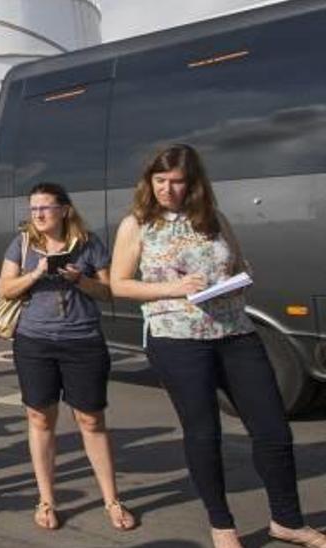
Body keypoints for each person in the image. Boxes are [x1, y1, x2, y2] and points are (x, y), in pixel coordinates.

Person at [110, 144, 326, 548]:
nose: (167, 190)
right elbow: (118, 284)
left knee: (273, 430)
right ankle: (222, 525)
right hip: (177, 338)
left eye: (176, 182)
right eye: (159, 181)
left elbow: (239, 261)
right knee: (204, 433)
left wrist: (241, 274)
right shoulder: (136, 225)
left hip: (236, 332)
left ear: (194, 184)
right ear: (149, 182)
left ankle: (288, 520)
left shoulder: (214, 219)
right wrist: (172, 288)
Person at [0, 182, 135, 531]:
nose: (38, 214)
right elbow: (4, 288)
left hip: (83, 342)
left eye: (45, 207)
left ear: (64, 210)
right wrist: (37, 272)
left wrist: (80, 280)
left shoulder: (88, 243)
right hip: (34, 343)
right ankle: (46, 500)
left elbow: (108, 292)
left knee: (91, 421)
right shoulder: (22, 244)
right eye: (33, 209)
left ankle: (112, 500)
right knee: (40, 419)